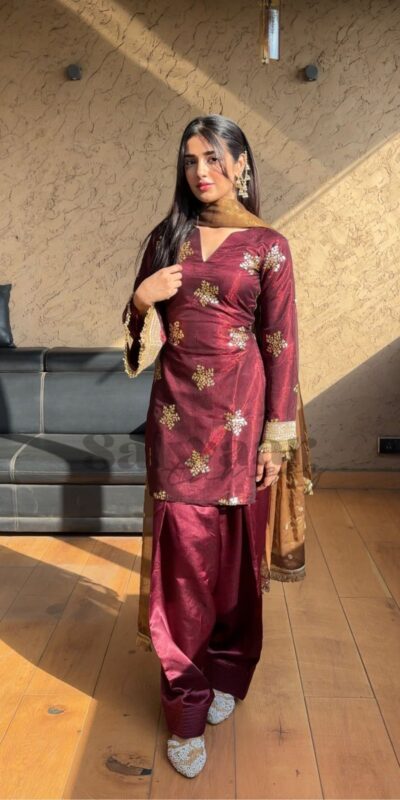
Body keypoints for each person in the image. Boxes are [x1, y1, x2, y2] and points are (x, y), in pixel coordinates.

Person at [122, 115, 305, 778]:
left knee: (235, 567)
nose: (201, 172)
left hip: (244, 422)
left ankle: (226, 670)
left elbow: (281, 345)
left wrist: (277, 437)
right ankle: (186, 710)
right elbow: (137, 337)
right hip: (178, 419)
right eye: (190, 160)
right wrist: (142, 299)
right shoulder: (167, 236)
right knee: (182, 571)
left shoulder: (270, 245)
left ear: (242, 163)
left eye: (213, 158)